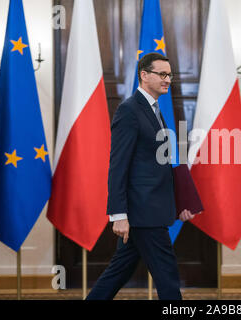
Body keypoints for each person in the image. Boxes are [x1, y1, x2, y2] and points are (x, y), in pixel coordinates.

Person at [86, 52, 194, 300]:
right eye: (162, 74)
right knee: (167, 277)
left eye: (170, 75)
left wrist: (181, 201)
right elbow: (118, 166)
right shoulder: (130, 110)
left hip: (150, 209)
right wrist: (119, 215)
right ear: (144, 75)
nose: (168, 80)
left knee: (118, 272)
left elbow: (156, 165)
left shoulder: (154, 109)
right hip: (143, 212)